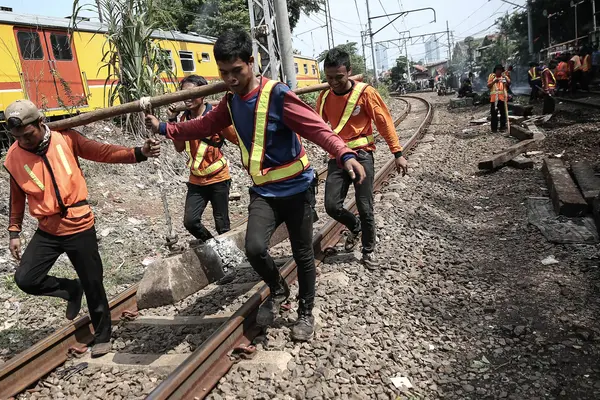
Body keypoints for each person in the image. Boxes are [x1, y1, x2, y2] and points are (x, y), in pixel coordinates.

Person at [144, 29, 366, 342]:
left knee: (303, 254)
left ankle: (305, 311)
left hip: (298, 189)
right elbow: (203, 125)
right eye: (224, 73)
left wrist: (343, 153)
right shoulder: (231, 102)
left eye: (237, 71)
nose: (231, 79)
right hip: (264, 192)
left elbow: (316, 129)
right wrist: (166, 128)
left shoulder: (277, 94)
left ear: (251, 62)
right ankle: (278, 288)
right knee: (254, 248)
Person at [3, 99, 161, 357]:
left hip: (79, 224)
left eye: (28, 134)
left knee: (93, 283)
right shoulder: (13, 157)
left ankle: (102, 335)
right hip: (48, 229)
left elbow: (103, 152)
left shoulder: (66, 138)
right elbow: (16, 196)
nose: (24, 140)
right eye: (17, 136)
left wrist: (139, 153)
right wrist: (14, 231)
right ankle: (70, 289)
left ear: (40, 123)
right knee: (25, 279)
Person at [315, 47, 407, 265]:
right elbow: (316, 126)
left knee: (365, 205)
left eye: (339, 77)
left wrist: (398, 153)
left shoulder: (365, 93)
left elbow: (384, 123)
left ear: (349, 71)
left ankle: (368, 249)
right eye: (329, 78)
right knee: (331, 205)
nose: (334, 82)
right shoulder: (325, 96)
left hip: (363, 155)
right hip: (338, 157)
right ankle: (354, 226)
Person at [167, 74, 236, 283]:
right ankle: (216, 251)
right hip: (196, 180)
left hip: (218, 178)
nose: (187, 98)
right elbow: (179, 148)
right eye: (184, 94)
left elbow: (235, 138)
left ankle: (230, 264)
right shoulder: (183, 119)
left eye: (192, 93)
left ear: (203, 95)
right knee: (190, 221)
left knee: (221, 223)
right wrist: (171, 122)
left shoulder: (215, 116)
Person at [487, 64, 509, 132]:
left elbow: (509, 83)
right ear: (495, 71)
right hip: (494, 99)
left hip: (502, 98)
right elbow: (488, 85)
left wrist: (505, 78)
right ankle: (494, 129)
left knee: (503, 114)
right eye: (497, 70)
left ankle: (502, 127)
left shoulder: (504, 76)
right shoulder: (492, 76)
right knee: (494, 114)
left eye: (500, 70)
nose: (499, 71)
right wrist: (494, 81)